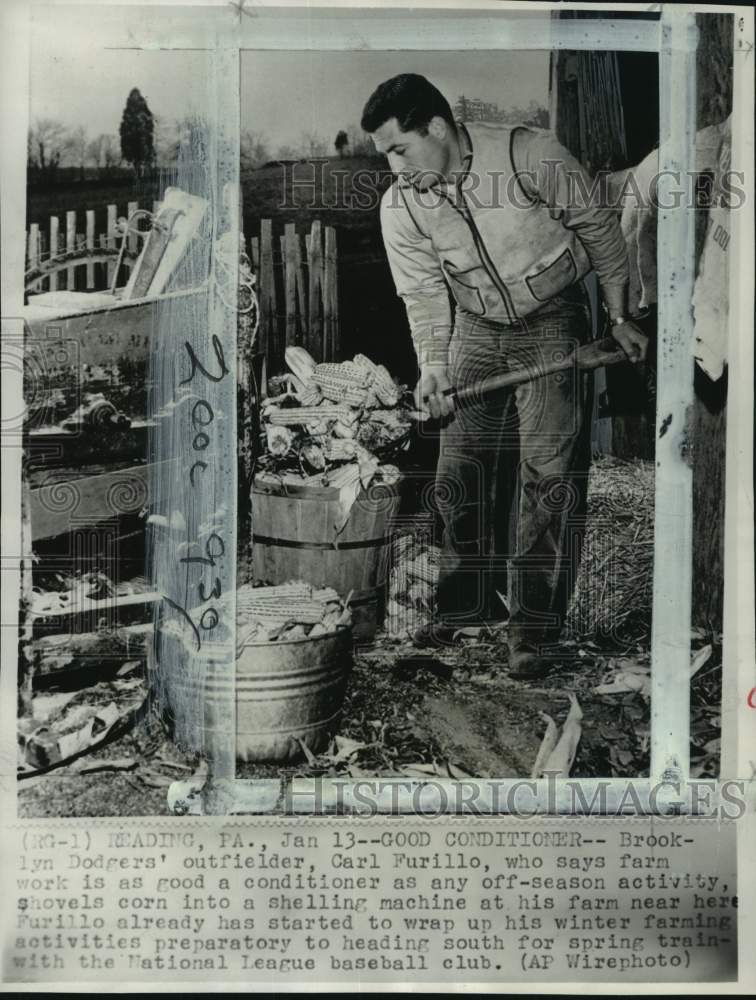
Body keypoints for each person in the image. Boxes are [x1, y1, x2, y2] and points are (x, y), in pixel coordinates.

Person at [361, 73, 647, 680]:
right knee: (458, 467)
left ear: (436, 128)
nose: (394, 167)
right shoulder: (403, 203)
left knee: (547, 473)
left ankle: (533, 633)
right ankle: (464, 609)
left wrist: (619, 315)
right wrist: (434, 366)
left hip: (555, 314)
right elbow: (421, 292)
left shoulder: (529, 155)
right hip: (475, 325)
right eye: (385, 154)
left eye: (399, 149)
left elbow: (600, 230)